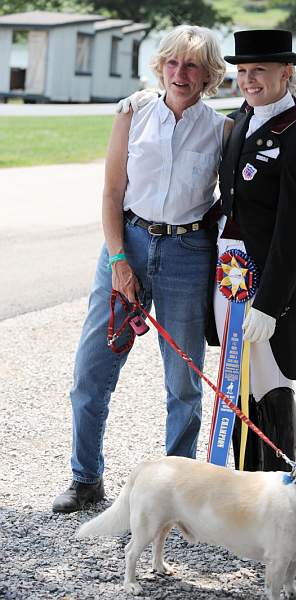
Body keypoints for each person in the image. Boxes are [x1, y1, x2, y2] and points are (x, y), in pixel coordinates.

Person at [52, 25, 232, 513]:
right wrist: (117, 260)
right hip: (125, 243)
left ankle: (177, 491)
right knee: (91, 372)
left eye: (192, 65)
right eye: (172, 63)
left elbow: (244, 193)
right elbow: (111, 193)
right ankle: (86, 479)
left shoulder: (222, 129)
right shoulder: (133, 113)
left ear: (209, 74)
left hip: (187, 253)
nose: (180, 73)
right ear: (161, 67)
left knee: (183, 382)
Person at [214, 29, 296, 472]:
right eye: (242, 71)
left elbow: (292, 232)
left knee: (270, 382)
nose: (248, 79)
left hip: (266, 283)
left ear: (287, 72)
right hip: (228, 275)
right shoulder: (242, 119)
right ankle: (242, 488)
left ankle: (279, 491)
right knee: (235, 382)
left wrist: (269, 302)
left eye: (259, 69)